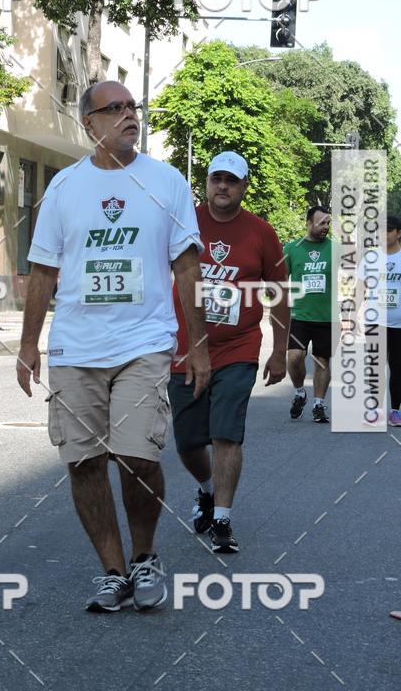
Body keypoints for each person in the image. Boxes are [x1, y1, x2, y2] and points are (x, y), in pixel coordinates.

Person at [17, 81, 210, 613]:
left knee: (136, 455)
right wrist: (28, 343)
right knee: (82, 463)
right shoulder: (63, 189)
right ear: (90, 125)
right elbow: (43, 270)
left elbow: (186, 266)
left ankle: (145, 555)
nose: (130, 115)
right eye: (115, 109)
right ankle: (113, 570)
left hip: (143, 343)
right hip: (76, 347)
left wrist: (197, 344)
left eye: (133, 107)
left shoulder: (165, 182)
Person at [169, 151, 289, 553]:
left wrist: (279, 349)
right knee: (187, 441)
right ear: (205, 183)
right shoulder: (183, 223)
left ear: (244, 186)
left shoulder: (261, 232)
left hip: (239, 347)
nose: (222, 186)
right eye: (216, 178)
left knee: (225, 433)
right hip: (185, 349)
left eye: (231, 180)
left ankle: (222, 519)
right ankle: (206, 489)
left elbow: (280, 293)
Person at [284, 207, 334, 424]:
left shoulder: (336, 249)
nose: (326, 227)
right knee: (294, 357)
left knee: (322, 361)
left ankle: (319, 405)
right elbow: (279, 280)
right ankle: (299, 392)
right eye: (322, 223)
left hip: (327, 316)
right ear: (309, 223)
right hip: (299, 315)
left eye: (328, 223)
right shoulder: (292, 249)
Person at [357, 215, 401, 426]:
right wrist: (350, 316)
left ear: (398, 233)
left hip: (399, 323)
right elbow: (359, 288)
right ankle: (374, 410)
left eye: (389, 230)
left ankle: (395, 411)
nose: (384, 234)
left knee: (398, 367)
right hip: (375, 321)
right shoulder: (370, 258)